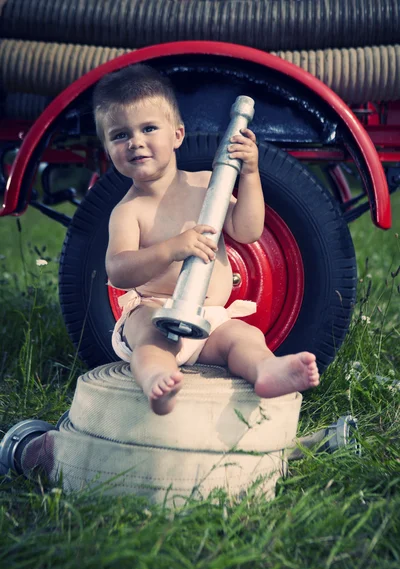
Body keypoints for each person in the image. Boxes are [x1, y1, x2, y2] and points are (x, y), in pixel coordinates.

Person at [93, 64, 320, 416]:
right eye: (120, 135)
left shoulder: (207, 185)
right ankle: (158, 380)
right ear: (107, 147)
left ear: (178, 135)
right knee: (150, 343)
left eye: (149, 128)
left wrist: (250, 175)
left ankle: (266, 370)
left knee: (244, 339)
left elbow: (247, 231)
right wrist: (171, 249)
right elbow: (118, 271)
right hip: (153, 310)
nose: (135, 141)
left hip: (208, 319)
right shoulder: (129, 211)